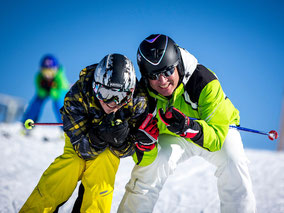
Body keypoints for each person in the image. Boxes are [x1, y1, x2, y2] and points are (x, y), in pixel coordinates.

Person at [118, 34, 256, 213]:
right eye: (154, 75)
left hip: (212, 130)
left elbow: (215, 140)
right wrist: (144, 144)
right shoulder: (143, 98)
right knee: (151, 168)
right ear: (145, 76)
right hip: (173, 136)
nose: (162, 81)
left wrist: (189, 127)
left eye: (168, 71)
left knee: (233, 162)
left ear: (178, 65)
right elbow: (141, 158)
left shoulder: (203, 81)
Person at [19, 53, 159, 213]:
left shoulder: (137, 101)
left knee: (104, 164)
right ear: (95, 87)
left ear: (130, 93)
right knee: (70, 166)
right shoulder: (78, 94)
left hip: (110, 148)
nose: (112, 103)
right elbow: (81, 148)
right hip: (81, 139)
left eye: (120, 96)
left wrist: (122, 141)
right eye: (105, 94)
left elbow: (133, 146)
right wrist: (98, 136)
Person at [21, 54, 69, 126]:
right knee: (36, 103)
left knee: (59, 104)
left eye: (51, 71)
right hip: (46, 91)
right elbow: (40, 92)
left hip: (59, 92)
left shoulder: (60, 77)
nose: (48, 75)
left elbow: (59, 92)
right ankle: (27, 122)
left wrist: (51, 89)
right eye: (45, 71)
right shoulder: (39, 77)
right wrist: (45, 89)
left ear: (56, 69)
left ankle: (66, 127)